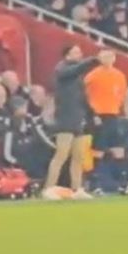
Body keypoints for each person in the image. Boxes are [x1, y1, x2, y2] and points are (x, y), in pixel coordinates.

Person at [42, 44, 102, 200]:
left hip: (78, 118)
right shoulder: (62, 69)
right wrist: (92, 60)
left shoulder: (78, 76)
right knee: (61, 154)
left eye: (80, 52)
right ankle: (49, 188)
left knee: (78, 156)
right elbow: (72, 71)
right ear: (67, 55)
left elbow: (83, 97)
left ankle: (77, 189)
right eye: (76, 52)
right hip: (65, 118)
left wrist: (92, 114)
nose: (79, 55)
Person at [84, 49, 128, 193]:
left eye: (110, 56)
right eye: (104, 56)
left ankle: (123, 184)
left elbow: (125, 94)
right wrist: (91, 114)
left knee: (118, 150)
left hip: (113, 115)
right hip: (98, 115)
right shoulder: (92, 76)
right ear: (99, 59)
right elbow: (85, 96)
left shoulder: (119, 75)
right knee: (98, 151)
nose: (108, 59)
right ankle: (95, 185)